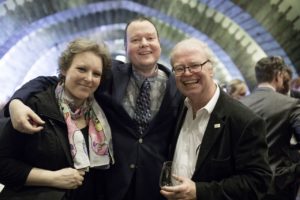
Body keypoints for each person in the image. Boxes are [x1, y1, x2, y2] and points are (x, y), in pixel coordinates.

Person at [3, 17, 183, 200]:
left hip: (151, 187)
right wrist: (16, 102)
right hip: (113, 186)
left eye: (150, 38)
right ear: (126, 47)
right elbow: (51, 81)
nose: (89, 78)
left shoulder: (178, 87)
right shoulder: (111, 77)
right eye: (135, 40)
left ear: (159, 43)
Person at [0, 38, 114, 200]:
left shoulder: (101, 116)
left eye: (96, 74)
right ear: (64, 69)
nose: (89, 78)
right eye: (81, 69)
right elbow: (3, 164)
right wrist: (52, 178)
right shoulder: (35, 106)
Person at [159, 38, 272, 200]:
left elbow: (257, 182)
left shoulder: (243, 120)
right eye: (179, 68)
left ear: (211, 68)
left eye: (195, 65)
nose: (187, 73)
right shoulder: (177, 110)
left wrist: (199, 191)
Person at [240, 56, 300, 200]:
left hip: (244, 183)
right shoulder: (290, 104)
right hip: (278, 184)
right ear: (279, 75)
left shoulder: (240, 104)